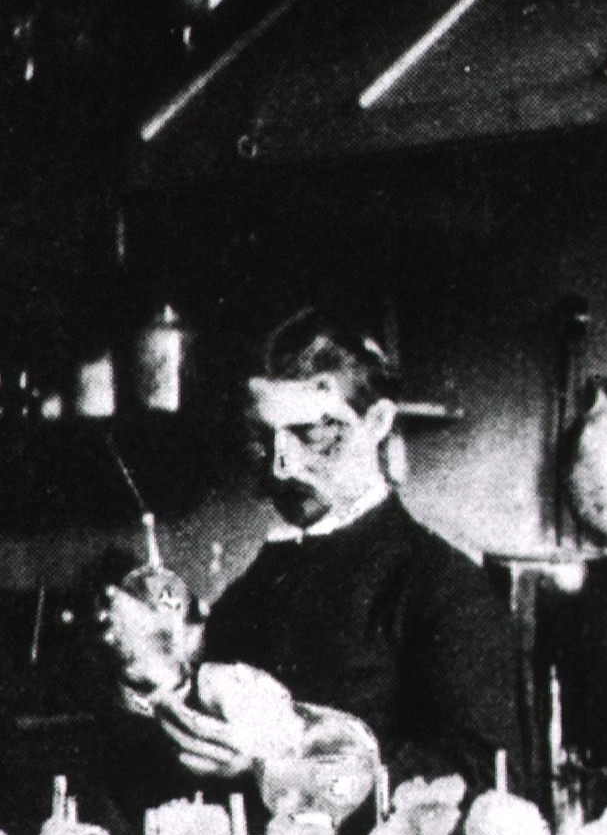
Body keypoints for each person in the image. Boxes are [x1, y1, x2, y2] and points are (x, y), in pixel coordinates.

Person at [109, 311, 518, 808]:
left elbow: (485, 780)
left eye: (312, 433)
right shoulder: (251, 591)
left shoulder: (444, 588)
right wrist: (158, 686)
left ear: (377, 423)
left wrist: (280, 763)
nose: (283, 464)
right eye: (263, 437)